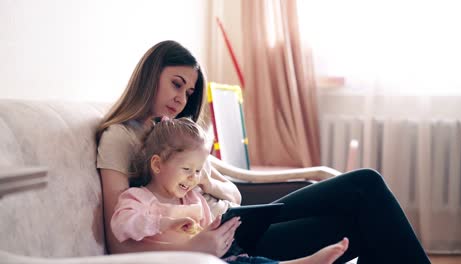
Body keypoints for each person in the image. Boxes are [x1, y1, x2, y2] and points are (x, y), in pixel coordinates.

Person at [96, 40, 431, 263]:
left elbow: (228, 189)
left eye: (189, 90)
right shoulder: (119, 137)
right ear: (150, 76)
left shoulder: (173, 134)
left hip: (232, 219)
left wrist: (207, 183)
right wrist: (196, 247)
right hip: (225, 243)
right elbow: (118, 242)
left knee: (364, 185)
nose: (183, 98)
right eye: (176, 84)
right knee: (355, 222)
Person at [110, 116, 349, 264]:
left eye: (198, 171)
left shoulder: (192, 198)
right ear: (157, 164)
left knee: (247, 261)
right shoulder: (139, 197)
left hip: (212, 258)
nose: (193, 178)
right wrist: (166, 220)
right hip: (178, 260)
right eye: (186, 169)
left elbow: (205, 235)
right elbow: (122, 225)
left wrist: (218, 230)